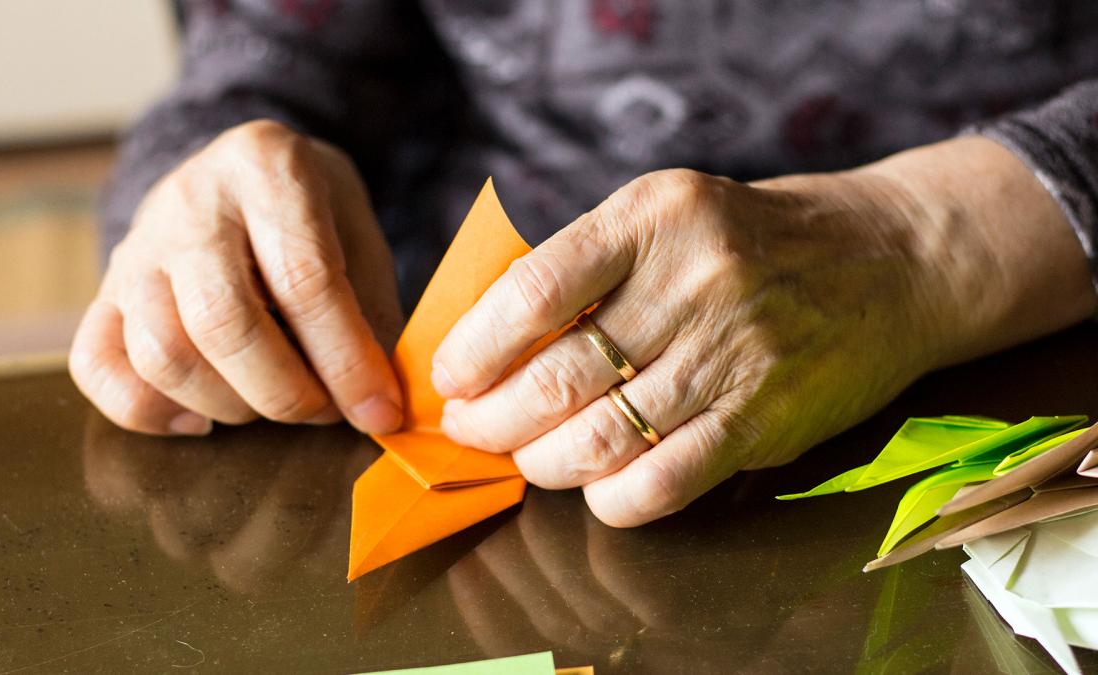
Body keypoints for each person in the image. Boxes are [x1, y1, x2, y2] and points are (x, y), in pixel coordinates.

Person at [70, 1, 1098, 528]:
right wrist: (208, 176)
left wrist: (918, 237)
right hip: (484, 400)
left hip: (1035, 364)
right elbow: (274, 53)